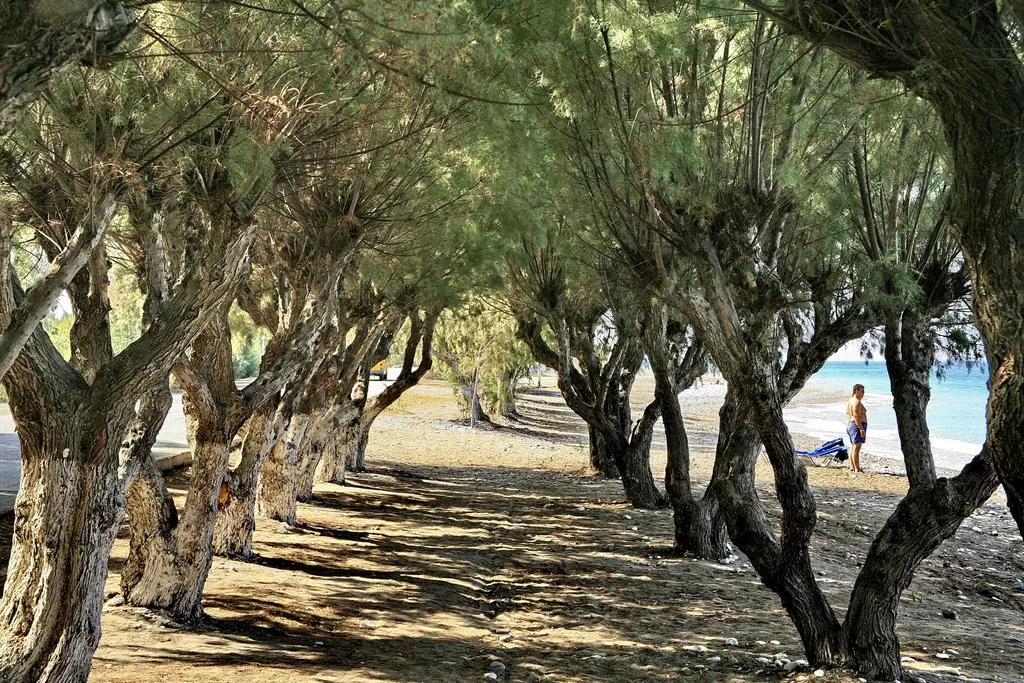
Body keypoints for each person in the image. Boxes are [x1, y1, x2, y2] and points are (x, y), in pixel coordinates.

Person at [846, 383, 867, 473]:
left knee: (853, 446)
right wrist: (861, 429)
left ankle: (852, 466)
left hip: (851, 424)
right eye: (862, 391)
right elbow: (856, 416)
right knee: (857, 447)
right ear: (856, 391)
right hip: (856, 425)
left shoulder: (851, 400)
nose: (863, 393)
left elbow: (849, 414)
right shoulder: (856, 402)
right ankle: (857, 469)